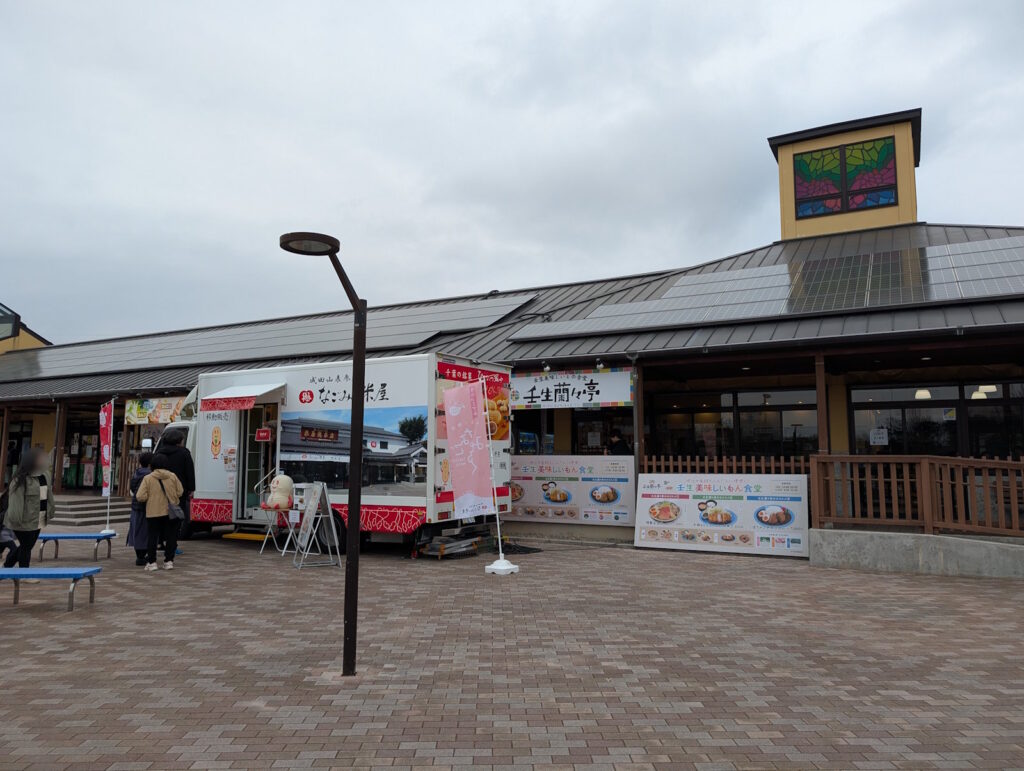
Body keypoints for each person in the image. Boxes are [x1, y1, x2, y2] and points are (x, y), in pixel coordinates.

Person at [2, 447, 55, 575]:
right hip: (23, 521)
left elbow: (48, 496)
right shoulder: (19, 480)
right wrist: (17, 522)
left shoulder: (45, 476)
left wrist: (50, 511)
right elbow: (16, 505)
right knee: (26, 547)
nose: (44, 460)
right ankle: (24, 574)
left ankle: (6, 567)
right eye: (40, 458)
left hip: (39, 519)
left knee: (27, 546)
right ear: (31, 461)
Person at [135, 453, 183, 572]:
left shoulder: (148, 478)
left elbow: (140, 496)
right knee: (171, 537)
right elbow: (180, 492)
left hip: (153, 512)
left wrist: (151, 498)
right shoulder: (172, 476)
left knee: (152, 537)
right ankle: (168, 561)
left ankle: (152, 562)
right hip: (171, 512)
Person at [158, 430, 195, 543]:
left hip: (161, 489)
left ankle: (160, 542)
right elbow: (189, 472)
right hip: (179, 490)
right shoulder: (184, 453)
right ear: (179, 441)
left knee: (161, 517)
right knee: (176, 518)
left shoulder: (159, 453)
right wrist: (191, 488)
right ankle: (172, 544)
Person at [126, 452, 153, 566]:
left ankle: (139, 556)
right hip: (146, 506)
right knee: (145, 531)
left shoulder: (136, 473)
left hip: (135, 506)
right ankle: (142, 556)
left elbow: (132, 488)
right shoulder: (150, 475)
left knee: (136, 530)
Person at [0, 490, 18, 565]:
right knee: (14, 549)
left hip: (7, 533)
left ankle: (6, 567)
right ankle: (7, 566)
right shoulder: (4, 512)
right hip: (3, 534)